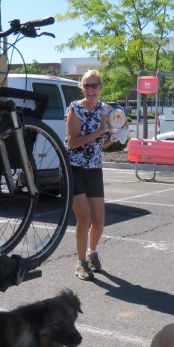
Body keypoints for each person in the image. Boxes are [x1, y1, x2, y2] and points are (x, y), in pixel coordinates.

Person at [65, 69, 113, 281]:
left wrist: (115, 135)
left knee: (99, 222)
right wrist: (99, 131)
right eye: (87, 85)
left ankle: (92, 253)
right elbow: (73, 142)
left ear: (100, 87)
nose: (90, 89)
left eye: (94, 85)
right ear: (82, 87)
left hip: (94, 168)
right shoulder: (75, 109)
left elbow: (101, 144)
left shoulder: (106, 109)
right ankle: (80, 263)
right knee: (84, 218)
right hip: (74, 167)